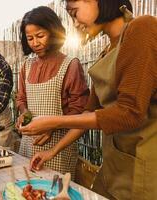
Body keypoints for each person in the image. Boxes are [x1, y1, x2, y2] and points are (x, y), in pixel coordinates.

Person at [20, 1, 157, 199]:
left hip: (145, 168)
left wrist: (54, 121)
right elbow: (88, 114)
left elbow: (130, 113)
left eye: (75, 13)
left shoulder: (143, 28)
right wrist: (52, 151)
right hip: (115, 164)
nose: (75, 24)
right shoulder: (107, 52)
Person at [16, 6, 89, 178]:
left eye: (40, 36)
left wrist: (51, 127)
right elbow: (21, 99)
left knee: (53, 191)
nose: (35, 43)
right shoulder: (26, 67)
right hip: (28, 144)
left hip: (58, 149)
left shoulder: (70, 65)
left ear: (54, 32)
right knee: (27, 189)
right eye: (30, 38)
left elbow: (79, 113)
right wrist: (24, 114)